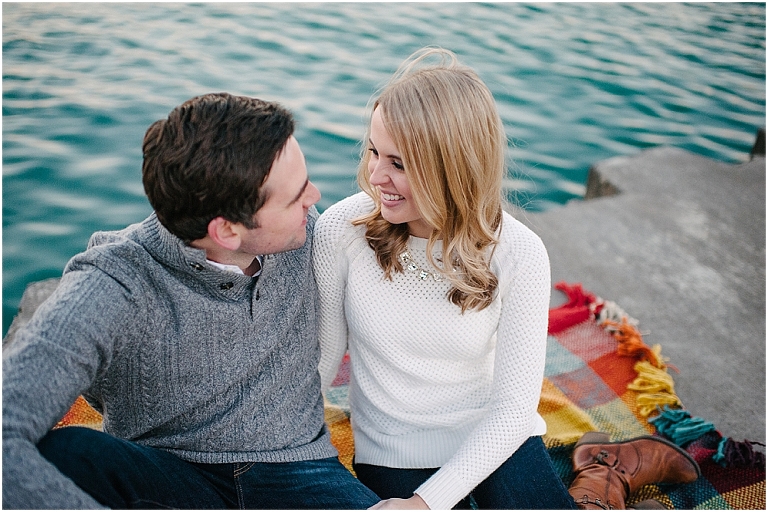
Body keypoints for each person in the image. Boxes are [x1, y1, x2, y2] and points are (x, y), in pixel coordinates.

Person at [313, 47, 700, 510]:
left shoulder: (519, 253)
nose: (375, 176)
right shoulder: (342, 228)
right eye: (374, 151)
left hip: (495, 437)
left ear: (451, 170)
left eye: (398, 164)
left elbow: (514, 412)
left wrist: (423, 504)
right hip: (394, 448)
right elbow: (319, 361)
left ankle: (601, 481)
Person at [2, 92, 380, 509]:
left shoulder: (314, 236)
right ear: (227, 232)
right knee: (66, 452)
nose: (315, 196)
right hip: (168, 477)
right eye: (296, 196)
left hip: (301, 473)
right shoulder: (113, 284)